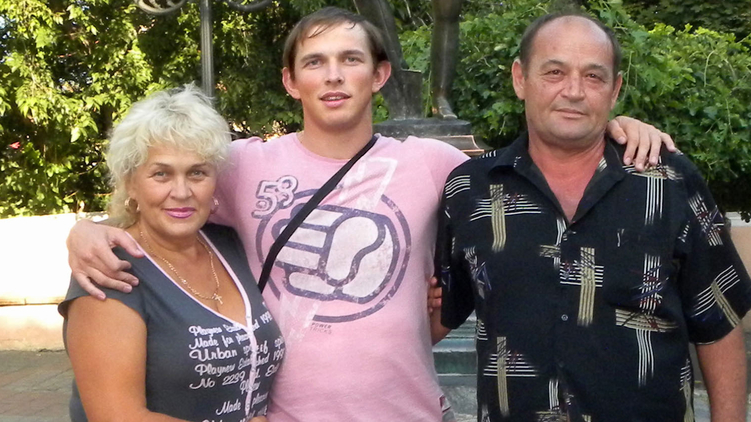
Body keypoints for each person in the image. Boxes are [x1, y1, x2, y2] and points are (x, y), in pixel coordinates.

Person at [66, 7, 674, 421]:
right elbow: (164, 194)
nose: (333, 76)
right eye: (315, 61)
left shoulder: (434, 164)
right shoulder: (240, 165)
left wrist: (614, 127)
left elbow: (533, 169)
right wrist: (85, 231)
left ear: (380, 74)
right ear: (290, 80)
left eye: (351, 59)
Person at [438, 12, 751, 421]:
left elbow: (719, 325)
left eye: (593, 76)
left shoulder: (669, 181)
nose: (573, 91)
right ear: (520, 78)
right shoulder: (469, 189)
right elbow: (436, 311)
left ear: (614, 89)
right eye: (554, 72)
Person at [58, 85, 284, 422]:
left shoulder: (230, 245)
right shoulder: (109, 271)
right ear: (131, 183)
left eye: (197, 172)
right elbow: (117, 416)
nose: (181, 191)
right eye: (161, 174)